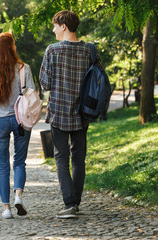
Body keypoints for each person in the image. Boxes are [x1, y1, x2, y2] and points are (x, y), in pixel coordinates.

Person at [39, 10, 101, 219]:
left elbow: (45, 84)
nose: (53, 29)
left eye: (55, 25)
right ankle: (75, 202)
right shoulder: (90, 50)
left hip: (58, 111)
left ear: (63, 26)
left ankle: (69, 204)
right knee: (79, 158)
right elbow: (97, 81)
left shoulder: (52, 51)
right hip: (83, 112)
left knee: (61, 157)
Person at [0, 32, 34, 219]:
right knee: (19, 161)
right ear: (11, 47)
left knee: (2, 165)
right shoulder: (23, 68)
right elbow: (32, 94)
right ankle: (18, 196)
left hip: (0, 120)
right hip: (21, 120)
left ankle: (6, 209)